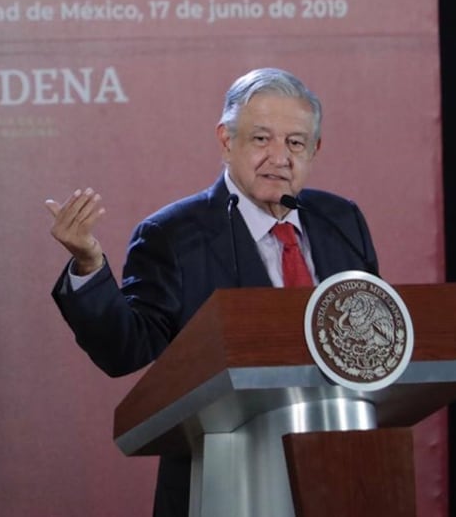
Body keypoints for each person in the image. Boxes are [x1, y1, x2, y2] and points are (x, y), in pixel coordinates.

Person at [44, 67, 378, 516]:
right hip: (224, 472)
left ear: (315, 149)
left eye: (295, 142)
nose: (280, 157)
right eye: (261, 139)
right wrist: (89, 264)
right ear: (226, 140)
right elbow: (127, 348)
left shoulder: (341, 220)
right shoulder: (174, 234)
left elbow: (375, 339)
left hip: (344, 467)